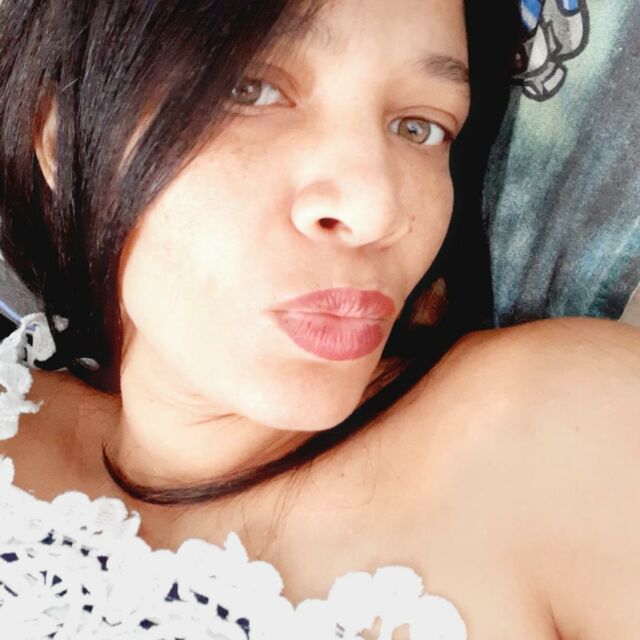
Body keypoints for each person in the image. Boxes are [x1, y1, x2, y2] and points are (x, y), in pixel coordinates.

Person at [1, 0, 640, 638]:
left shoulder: (563, 430)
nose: (378, 209)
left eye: (419, 126)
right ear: (63, 138)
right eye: (251, 90)